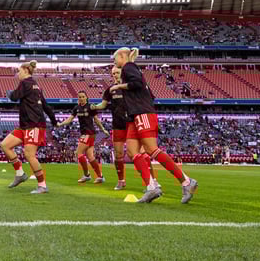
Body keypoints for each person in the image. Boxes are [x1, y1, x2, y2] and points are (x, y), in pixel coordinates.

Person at [109, 47, 197, 204]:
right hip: (135, 116)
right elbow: (148, 93)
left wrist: (119, 87)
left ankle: (186, 182)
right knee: (132, 151)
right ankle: (151, 187)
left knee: (151, 150)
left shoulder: (129, 67)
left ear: (123, 56)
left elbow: (136, 84)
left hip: (142, 114)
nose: (114, 62)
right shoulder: (131, 69)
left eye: (116, 59)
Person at [0, 60, 57, 194]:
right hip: (26, 125)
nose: (17, 74)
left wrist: (8, 93)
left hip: (34, 124)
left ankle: (42, 185)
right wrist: (54, 121)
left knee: (29, 154)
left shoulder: (25, 83)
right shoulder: (36, 85)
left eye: (19, 71)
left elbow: (14, 97)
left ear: (25, 71)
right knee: (5, 145)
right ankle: (20, 174)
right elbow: (46, 106)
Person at [57, 91, 108, 184]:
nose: (81, 98)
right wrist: (61, 124)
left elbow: (96, 120)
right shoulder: (76, 108)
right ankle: (100, 176)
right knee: (90, 156)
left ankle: (87, 175)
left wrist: (103, 129)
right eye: (79, 97)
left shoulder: (90, 107)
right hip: (85, 134)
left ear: (86, 97)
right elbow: (70, 119)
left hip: (89, 133)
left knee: (78, 153)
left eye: (83, 96)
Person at [91, 66, 128, 190]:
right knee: (118, 154)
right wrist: (95, 107)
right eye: (113, 73)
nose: (115, 75)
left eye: (117, 72)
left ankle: (151, 181)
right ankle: (121, 180)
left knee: (140, 153)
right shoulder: (110, 90)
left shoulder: (131, 87)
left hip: (132, 123)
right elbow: (103, 104)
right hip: (117, 125)